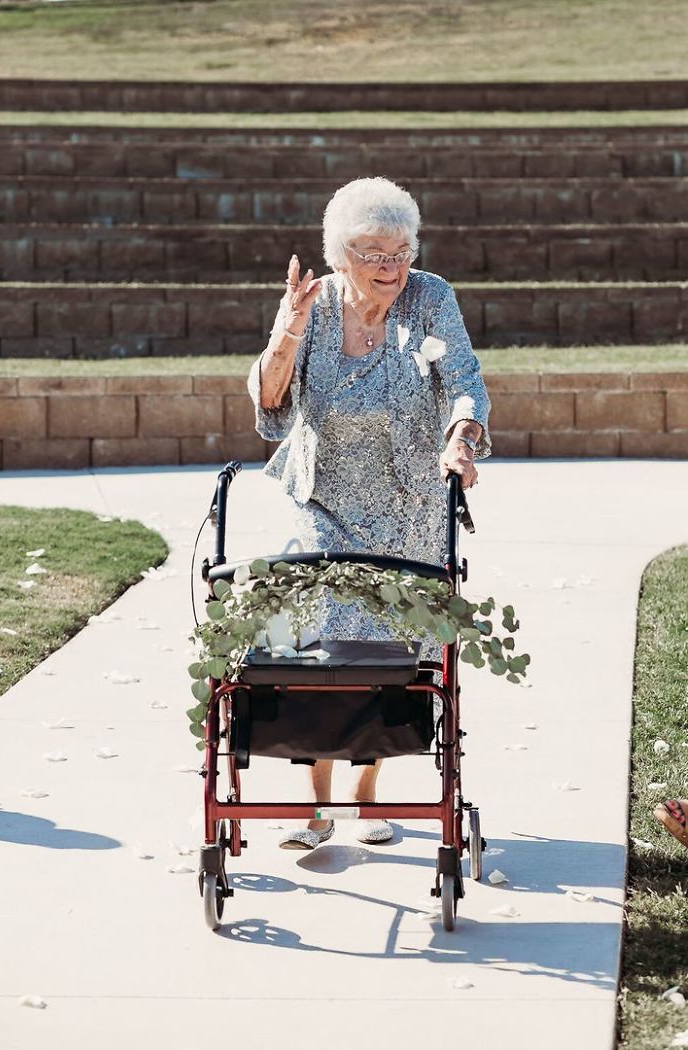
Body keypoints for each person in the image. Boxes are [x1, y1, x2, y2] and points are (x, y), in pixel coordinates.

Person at [247, 176, 491, 849]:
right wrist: (287, 334)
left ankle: (366, 795)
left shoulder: (431, 297)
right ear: (341, 256)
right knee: (322, 648)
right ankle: (315, 808)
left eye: (401, 252)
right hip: (324, 501)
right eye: (376, 255)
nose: (392, 268)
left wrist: (461, 440)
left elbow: (465, 383)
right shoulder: (313, 305)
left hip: (410, 505)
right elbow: (271, 406)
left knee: (391, 655)